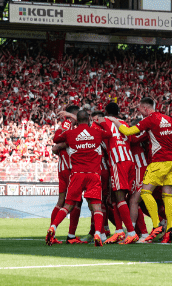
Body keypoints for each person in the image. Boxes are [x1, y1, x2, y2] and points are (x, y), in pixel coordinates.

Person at [114, 97, 172, 244]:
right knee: (167, 197)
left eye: (140, 109)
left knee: (145, 193)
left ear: (145, 108)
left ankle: (156, 226)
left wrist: (115, 122)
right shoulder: (168, 119)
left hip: (159, 162)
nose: (140, 112)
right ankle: (169, 229)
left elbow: (128, 131)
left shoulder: (150, 119)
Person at [48, 110, 111, 247]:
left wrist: (62, 127)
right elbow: (109, 134)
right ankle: (97, 234)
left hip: (76, 175)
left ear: (77, 120)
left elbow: (56, 139)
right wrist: (102, 123)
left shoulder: (70, 134)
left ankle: (53, 227)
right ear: (88, 119)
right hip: (93, 175)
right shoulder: (96, 132)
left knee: (67, 205)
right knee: (97, 207)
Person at [95, 102, 138, 245]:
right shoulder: (124, 123)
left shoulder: (103, 121)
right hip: (129, 160)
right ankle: (119, 231)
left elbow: (91, 133)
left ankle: (131, 232)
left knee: (119, 199)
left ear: (105, 112)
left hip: (118, 161)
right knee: (115, 199)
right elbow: (131, 139)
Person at [49, 105, 86, 245]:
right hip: (70, 167)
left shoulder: (67, 124)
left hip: (63, 167)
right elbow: (59, 140)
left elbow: (57, 144)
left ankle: (52, 232)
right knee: (75, 201)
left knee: (62, 200)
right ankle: (70, 235)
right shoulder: (69, 123)